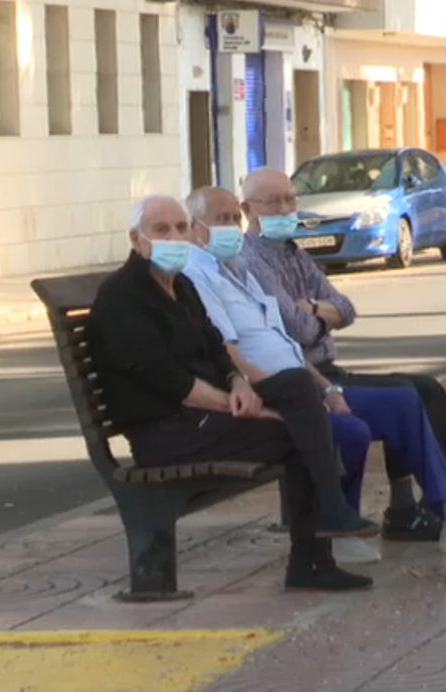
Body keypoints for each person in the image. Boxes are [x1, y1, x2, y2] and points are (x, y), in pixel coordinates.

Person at [182, 187, 446, 559]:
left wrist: (326, 388)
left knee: (406, 399)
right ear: (195, 227)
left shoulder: (240, 269)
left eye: (234, 218)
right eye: (222, 219)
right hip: (275, 391)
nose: (232, 227)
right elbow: (247, 344)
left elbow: (310, 328)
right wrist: (296, 373)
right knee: (355, 428)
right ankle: (341, 530)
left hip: (307, 378)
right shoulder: (199, 274)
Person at [86, 195, 376, 592]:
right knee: (298, 432)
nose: (174, 237)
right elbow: (167, 380)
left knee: (296, 384)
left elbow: (215, 346)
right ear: (137, 240)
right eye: (161, 230)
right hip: (168, 432)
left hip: (205, 414)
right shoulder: (123, 295)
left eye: (181, 227)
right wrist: (238, 406)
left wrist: (238, 382)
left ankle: (328, 515)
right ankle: (313, 559)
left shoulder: (180, 285)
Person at [237, 167, 446, 544]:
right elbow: (297, 330)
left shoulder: (293, 252)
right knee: (405, 396)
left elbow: (346, 308)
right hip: (303, 379)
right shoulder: (252, 261)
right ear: (248, 210)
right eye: (273, 202)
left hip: (327, 368)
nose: (286, 209)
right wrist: (323, 317)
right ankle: (418, 511)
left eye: (290, 199)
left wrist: (313, 308)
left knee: (425, 387)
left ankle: (421, 504)